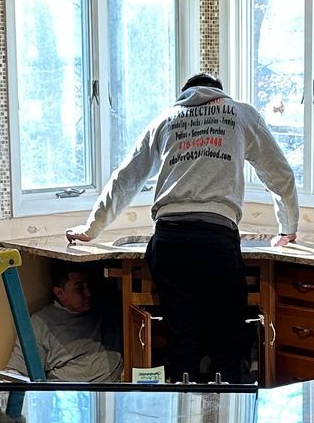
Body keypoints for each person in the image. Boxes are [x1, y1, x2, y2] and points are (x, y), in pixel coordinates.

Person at [68, 72, 300, 383]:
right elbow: (279, 174)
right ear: (220, 92)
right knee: (227, 338)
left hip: (169, 241)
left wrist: (91, 228)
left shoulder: (166, 120)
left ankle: (181, 421)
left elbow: (125, 178)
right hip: (216, 241)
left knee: (183, 338)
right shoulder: (242, 114)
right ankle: (228, 422)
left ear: (185, 93)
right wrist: (287, 227)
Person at [7, 263, 123, 382]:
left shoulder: (107, 308)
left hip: (112, 391)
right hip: (65, 395)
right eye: (79, 288)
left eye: (89, 285)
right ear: (60, 293)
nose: (88, 293)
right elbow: (17, 373)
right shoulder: (40, 323)